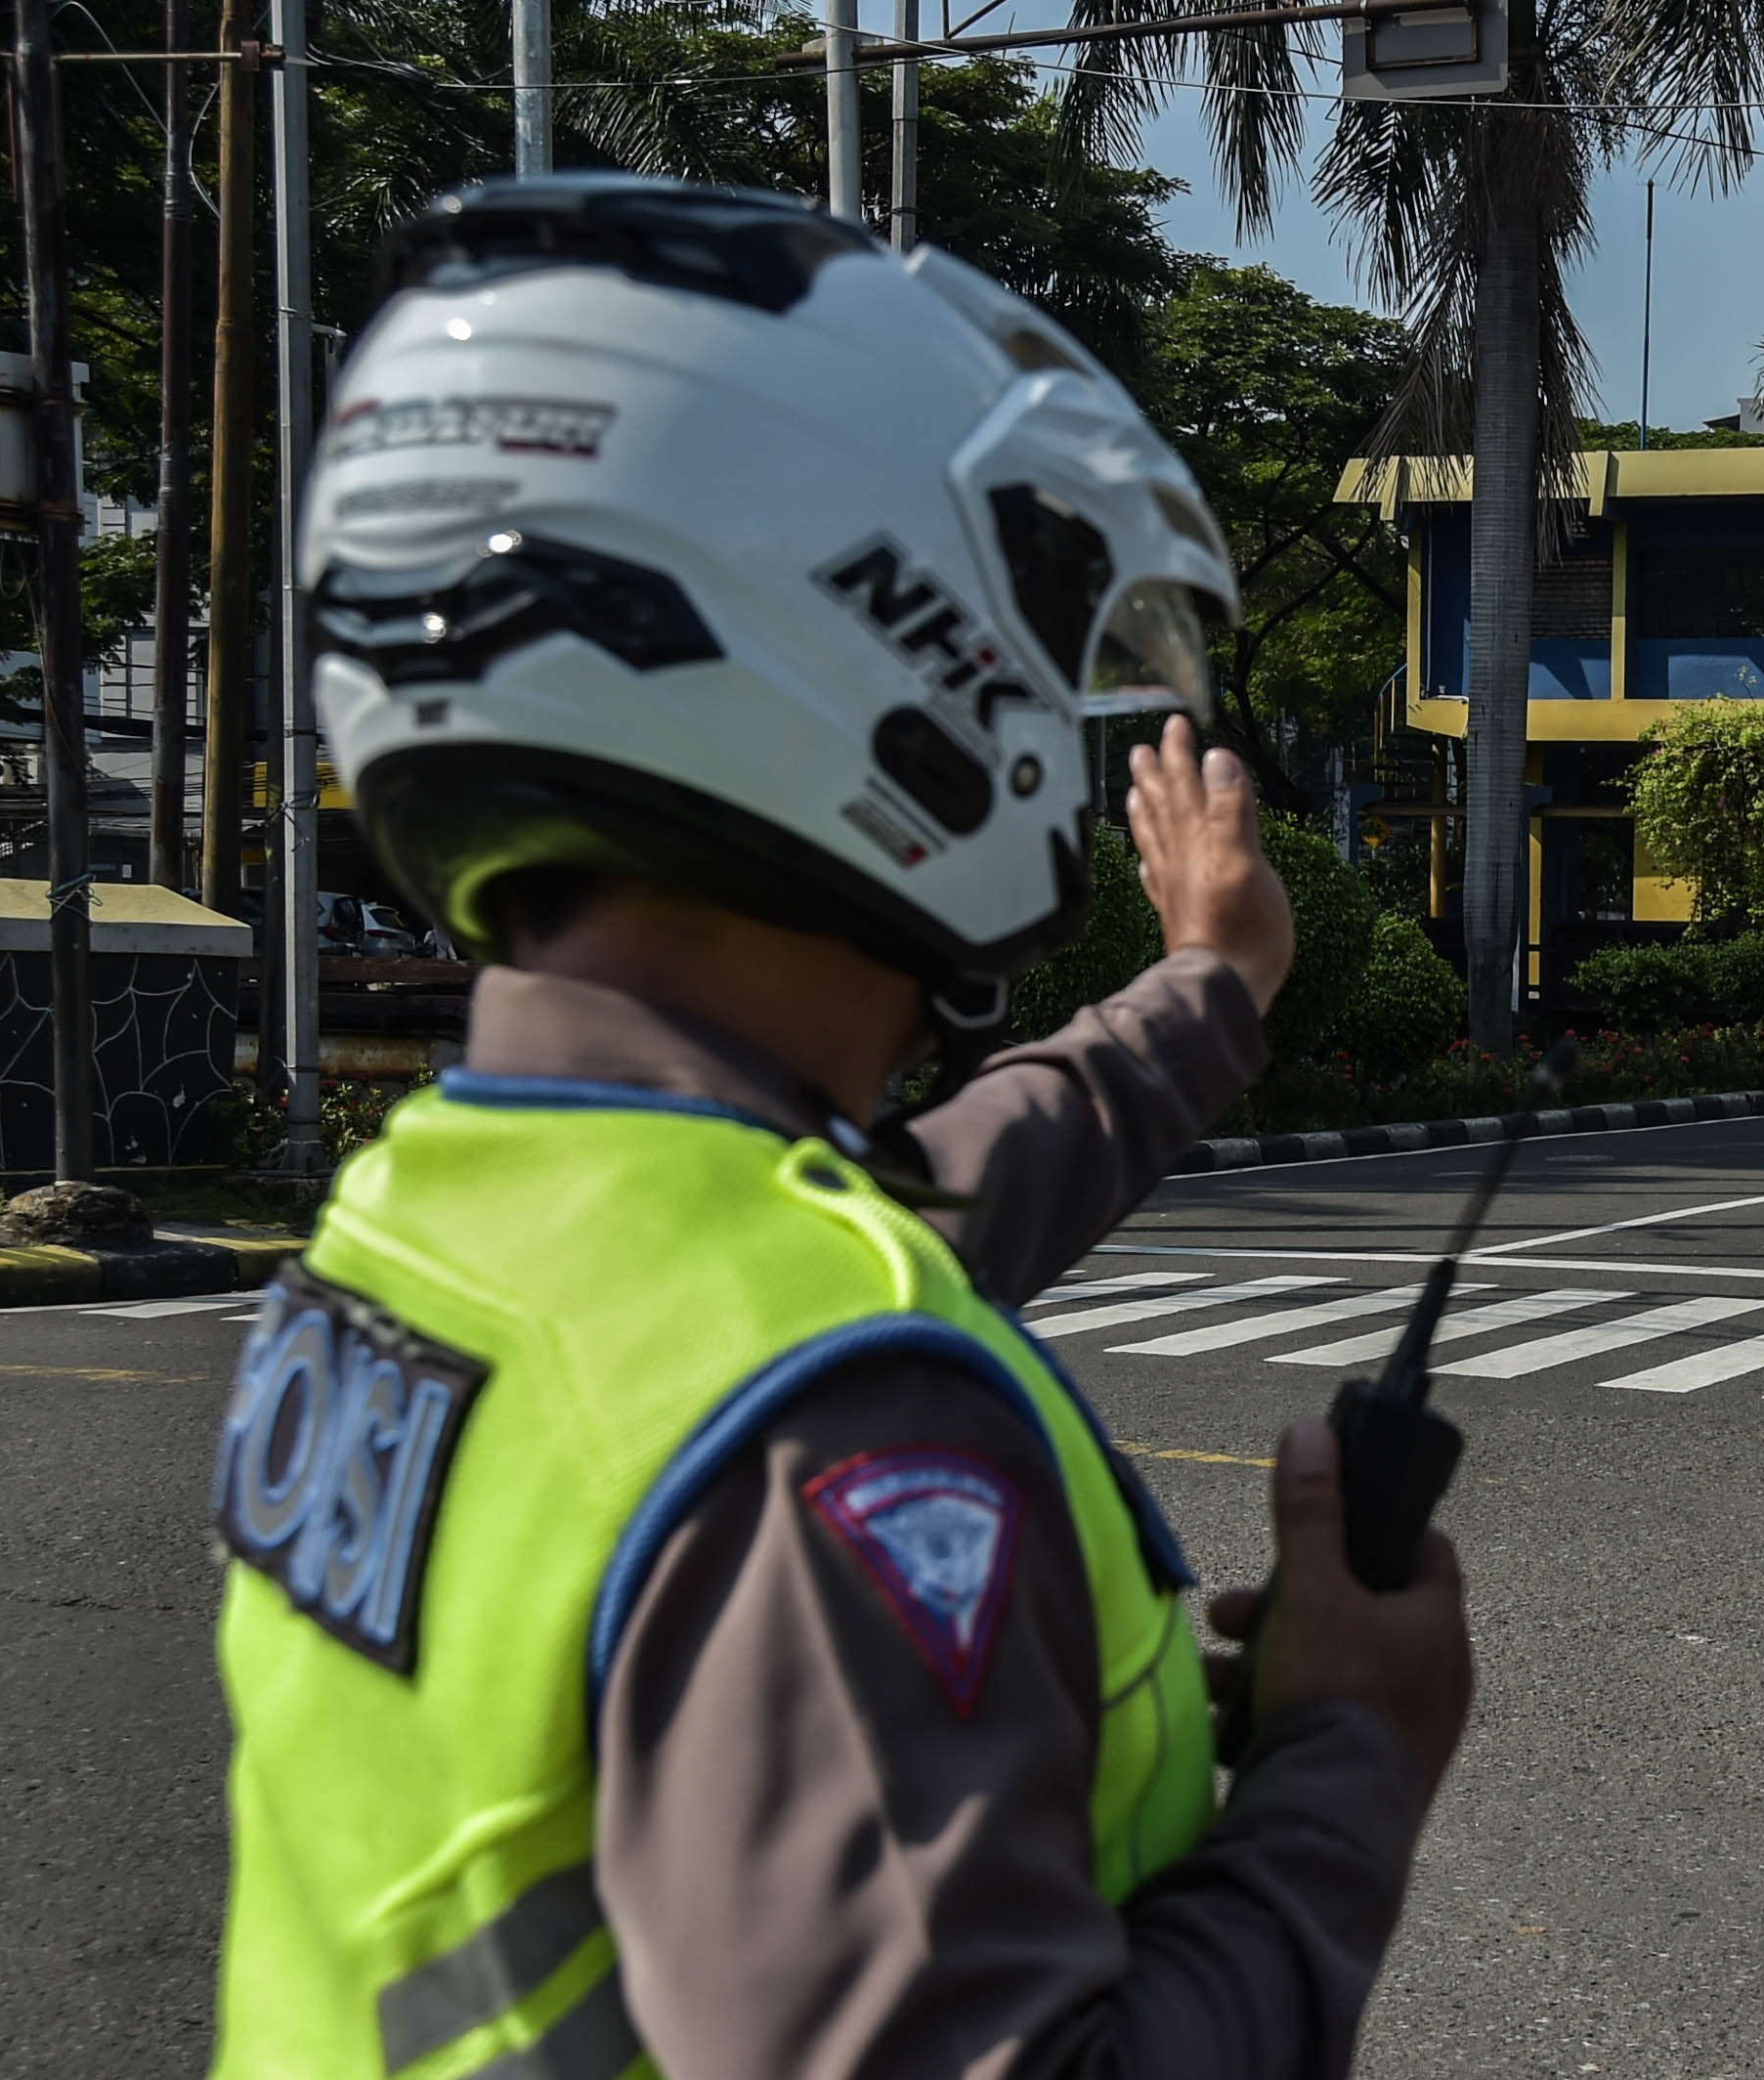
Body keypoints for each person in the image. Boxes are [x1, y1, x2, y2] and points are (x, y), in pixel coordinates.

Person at [207, 177, 1471, 2080]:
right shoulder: (827, 1431)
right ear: (875, 650)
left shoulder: (440, 1205)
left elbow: (879, 1218)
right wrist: (1347, 1756)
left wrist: (1207, 983)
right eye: (1042, 624)